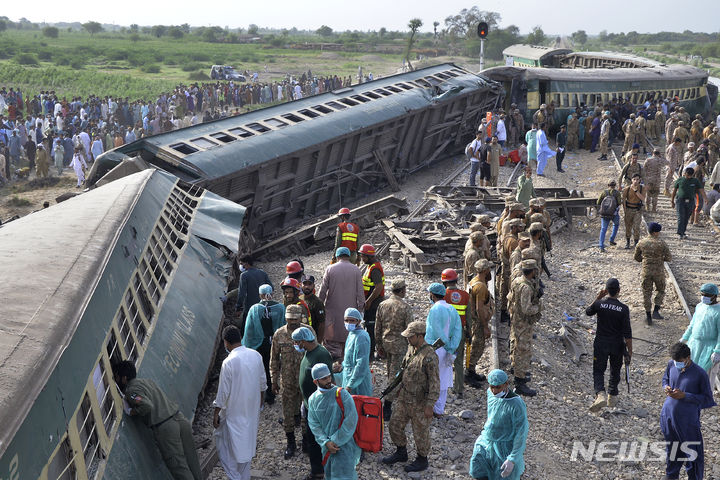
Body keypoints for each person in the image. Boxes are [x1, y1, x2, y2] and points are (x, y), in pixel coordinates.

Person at [112, 361, 202, 480]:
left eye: (117, 377)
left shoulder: (131, 391)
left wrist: (131, 411)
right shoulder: (147, 382)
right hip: (179, 419)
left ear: (124, 378)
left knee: (179, 467)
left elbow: (146, 405)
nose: (116, 380)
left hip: (166, 428)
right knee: (192, 460)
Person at [382, 321, 440, 473]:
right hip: (404, 397)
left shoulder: (429, 356)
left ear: (420, 336)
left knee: (420, 432)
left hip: (420, 402)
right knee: (394, 424)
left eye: (410, 336)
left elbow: (435, 383)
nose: (407, 338)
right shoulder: (411, 349)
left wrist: (430, 405)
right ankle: (401, 451)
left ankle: (422, 459)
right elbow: (402, 371)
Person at [213, 326, 267, 480]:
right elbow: (263, 383)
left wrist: (216, 413)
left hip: (233, 415)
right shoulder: (255, 355)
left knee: (227, 453)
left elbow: (223, 393)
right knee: (245, 452)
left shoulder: (229, 362)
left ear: (226, 342)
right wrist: (260, 402)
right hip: (251, 412)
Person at [660, 342, 716, 480]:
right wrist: (666, 387)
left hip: (687, 421)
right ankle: (671, 476)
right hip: (668, 417)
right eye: (675, 361)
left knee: (692, 453)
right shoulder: (671, 365)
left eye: (680, 361)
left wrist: (685, 396)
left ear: (688, 358)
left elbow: (707, 399)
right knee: (673, 451)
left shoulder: (699, 374)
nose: (677, 364)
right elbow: (665, 379)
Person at [469, 369, 529, 480]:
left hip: (504, 447)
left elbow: (521, 432)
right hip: (486, 440)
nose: (494, 391)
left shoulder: (516, 404)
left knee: (502, 474)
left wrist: (512, 458)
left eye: (498, 387)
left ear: (506, 384)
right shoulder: (490, 393)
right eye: (492, 386)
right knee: (478, 469)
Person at [585, 279, 632, 411]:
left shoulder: (600, 304)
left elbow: (588, 311)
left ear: (606, 290)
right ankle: (612, 396)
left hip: (601, 343)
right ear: (619, 291)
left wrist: (598, 297)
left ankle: (600, 394)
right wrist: (630, 351)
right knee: (615, 369)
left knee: (599, 370)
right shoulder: (623, 309)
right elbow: (627, 332)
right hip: (617, 345)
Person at [270, 304, 311, 459]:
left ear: (300, 317)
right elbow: (274, 359)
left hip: (305, 381)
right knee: (287, 413)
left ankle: (306, 440)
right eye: (289, 319)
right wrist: (274, 380)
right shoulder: (279, 335)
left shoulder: (308, 332)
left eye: (295, 319)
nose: (292, 322)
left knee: (306, 412)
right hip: (287, 382)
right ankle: (291, 442)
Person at [307, 364, 361, 480]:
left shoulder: (342, 394)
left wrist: (335, 441)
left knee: (345, 475)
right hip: (326, 447)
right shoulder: (313, 399)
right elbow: (314, 424)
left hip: (343, 445)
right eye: (324, 378)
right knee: (330, 474)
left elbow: (351, 419)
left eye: (329, 377)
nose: (328, 381)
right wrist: (325, 442)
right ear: (315, 381)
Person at [294, 326, 334, 480]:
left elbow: (328, 382)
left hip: (319, 406)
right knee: (311, 440)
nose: (296, 344)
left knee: (316, 440)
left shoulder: (321, 354)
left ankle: (318, 473)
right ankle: (317, 470)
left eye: (297, 341)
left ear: (304, 340)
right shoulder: (308, 353)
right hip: (308, 403)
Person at [374, 278, 413, 420]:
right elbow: (410, 329)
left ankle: (393, 395)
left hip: (386, 343)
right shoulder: (405, 307)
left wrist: (378, 344)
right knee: (395, 376)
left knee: (390, 371)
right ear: (402, 290)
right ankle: (387, 404)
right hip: (400, 345)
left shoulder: (383, 305)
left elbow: (377, 327)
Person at [319, 247, 365, 360]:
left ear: (337, 256)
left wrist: (319, 306)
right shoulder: (356, 270)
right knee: (348, 342)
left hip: (332, 312)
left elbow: (323, 291)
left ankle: (334, 366)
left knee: (331, 343)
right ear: (349, 256)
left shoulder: (330, 269)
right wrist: (360, 310)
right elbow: (360, 293)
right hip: (350, 313)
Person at [242, 284, 285, 405]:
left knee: (262, 368)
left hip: (259, 344)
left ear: (260, 295)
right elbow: (284, 326)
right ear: (272, 293)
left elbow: (249, 329)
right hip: (275, 343)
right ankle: (272, 393)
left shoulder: (255, 309)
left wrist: (246, 345)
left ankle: (261, 393)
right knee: (274, 367)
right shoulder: (281, 308)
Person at [425, 282, 462, 415]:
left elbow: (436, 330)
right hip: (449, 350)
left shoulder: (435, 309)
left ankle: (431, 407)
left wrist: (445, 344)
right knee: (444, 377)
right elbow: (458, 331)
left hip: (436, 347)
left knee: (432, 377)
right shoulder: (452, 309)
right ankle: (439, 409)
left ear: (432, 295)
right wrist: (452, 348)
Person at [507, 259, 541, 397]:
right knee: (522, 350)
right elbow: (527, 309)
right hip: (523, 323)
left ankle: (517, 371)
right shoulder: (526, 287)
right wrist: (539, 307)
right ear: (532, 271)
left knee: (516, 346)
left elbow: (510, 298)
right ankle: (520, 382)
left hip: (516, 320)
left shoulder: (517, 281)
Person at [442, 268, 476, 397]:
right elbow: (469, 318)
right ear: (456, 280)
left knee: (442, 359)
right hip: (459, 331)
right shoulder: (465, 295)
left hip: (444, 332)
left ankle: (442, 387)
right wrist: (469, 332)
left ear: (444, 282)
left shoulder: (442, 295)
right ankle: (459, 388)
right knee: (458, 359)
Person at [634, 222, 672, 325]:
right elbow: (669, 258)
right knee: (661, 290)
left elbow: (636, 258)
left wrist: (646, 259)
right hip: (659, 272)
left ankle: (648, 316)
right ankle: (656, 311)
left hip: (646, 271)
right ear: (655, 232)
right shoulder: (662, 243)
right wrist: (660, 258)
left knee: (646, 293)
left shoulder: (641, 243)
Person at [680, 283, 720, 373]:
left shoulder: (718, 311)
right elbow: (692, 324)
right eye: (702, 295)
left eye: (707, 295)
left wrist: (718, 351)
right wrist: (684, 338)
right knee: (690, 371)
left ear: (714, 296)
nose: (704, 297)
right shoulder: (700, 306)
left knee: (706, 375)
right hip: (694, 344)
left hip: (709, 348)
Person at [333, 308, 372, 396]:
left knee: (359, 405)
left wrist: (351, 385)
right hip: (348, 375)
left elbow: (361, 364)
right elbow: (349, 356)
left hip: (358, 380)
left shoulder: (361, 337)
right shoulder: (352, 334)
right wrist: (342, 365)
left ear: (358, 321)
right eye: (346, 320)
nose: (349, 323)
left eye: (352, 320)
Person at [467, 259, 493, 382]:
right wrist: (485, 326)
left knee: (474, 344)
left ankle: (470, 370)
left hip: (472, 319)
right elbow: (479, 308)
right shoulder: (481, 287)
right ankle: (469, 372)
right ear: (485, 270)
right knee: (478, 345)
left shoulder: (473, 281)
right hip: (478, 322)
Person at [359, 243, 384, 358]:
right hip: (371, 302)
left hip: (374, 304)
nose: (362, 259)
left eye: (363, 256)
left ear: (369, 256)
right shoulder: (371, 266)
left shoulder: (374, 269)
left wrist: (368, 301)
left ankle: (370, 354)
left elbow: (378, 287)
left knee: (371, 329)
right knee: (370, 327)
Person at [235, 255, 273, 332]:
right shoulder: (262, 273)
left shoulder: (244, 275)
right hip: (263, 306)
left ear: (246, 263)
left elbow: (241, 293)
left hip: (250, 307)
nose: (241, 266)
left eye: (241, 263)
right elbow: (271, 288)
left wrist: (238, 307)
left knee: (245, 329)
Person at [671, 167, 708, 239]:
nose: (688, 177)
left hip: (690, 201)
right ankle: (680, 233)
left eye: (689, 175)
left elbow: (701, 190)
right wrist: (672, 201)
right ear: (685, 173)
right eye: (687, 175)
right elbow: (674, 191)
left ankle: (683, 232)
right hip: (680, 201)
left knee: (686, 217)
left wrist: (705, 198)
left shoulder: (695, 181)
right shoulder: (680, 180)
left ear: (692, 175)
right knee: (681, 217)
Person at [621, 173, 646, 249]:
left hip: (637, 210)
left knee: (636, 227)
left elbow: (642, 198)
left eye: (637, 179)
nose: (635, 181)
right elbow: (624, 200)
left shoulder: (642, 188)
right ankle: (628, 242)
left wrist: (636, 191)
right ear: (631, 180)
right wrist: (625, 210)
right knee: (628, 227)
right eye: (634, 179)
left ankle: (636, 243)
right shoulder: (627, 189)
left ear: (640, 180)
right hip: (629, 209)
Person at [597, 180, 622, 252]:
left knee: (603, 229)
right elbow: (619, 202)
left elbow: (598, 202)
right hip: (614, 213)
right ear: (615, 185)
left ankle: (601, 246)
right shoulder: (617, 193)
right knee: (616, 225)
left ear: (608, 185)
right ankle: (611, 240)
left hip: (604, 214)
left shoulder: (604, 192)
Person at [302, 276, 326, 344]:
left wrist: (318, 343)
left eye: (309, 284)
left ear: (314, 286)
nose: (307, 287)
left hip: (312, 338)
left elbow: (322, 324)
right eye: (304, 284)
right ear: (301, 284)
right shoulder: (299, 299)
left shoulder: (317, 302)